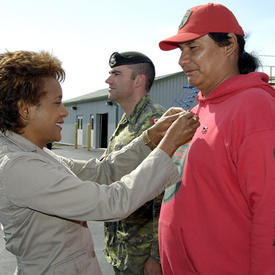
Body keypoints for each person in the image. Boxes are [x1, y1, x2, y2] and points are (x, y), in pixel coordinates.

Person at [0, 50, 200, 275]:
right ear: (25, 110)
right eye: (57, 103)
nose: (64, 112)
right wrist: (167, 146)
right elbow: (112, 202)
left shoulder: (37, 154)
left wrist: (150, 138)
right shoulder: (19, 167)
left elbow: (102, 171)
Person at [158, 3, 275, 275]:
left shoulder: (255, 109)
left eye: (193, 48)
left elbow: (269, 211)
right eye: (181, 51)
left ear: (229, 45)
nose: (182, 60)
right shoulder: (199, 109)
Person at [102, 51, 165, 275]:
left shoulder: (156, 123)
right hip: (122, 248)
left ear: (138, 80)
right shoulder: (127, 122)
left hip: (143, 253)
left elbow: (167, 194)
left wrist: (157, 256)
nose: (108, 80)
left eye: (116, 74)